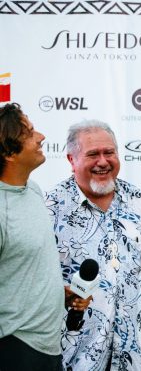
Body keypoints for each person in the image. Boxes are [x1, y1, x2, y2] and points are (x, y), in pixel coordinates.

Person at [46, 120, 141, 370]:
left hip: (139, 355)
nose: (103, 161)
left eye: (109, 152)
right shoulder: (51, 209)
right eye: (93, 154)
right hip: (74, 355)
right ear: (71, 159)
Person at [0, 103, 65, 370]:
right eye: (29, 133)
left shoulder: (33, 190)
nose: (41, 137)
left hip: (48, 348)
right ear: (9, 153)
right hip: (15, 349)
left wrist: (56, 293)